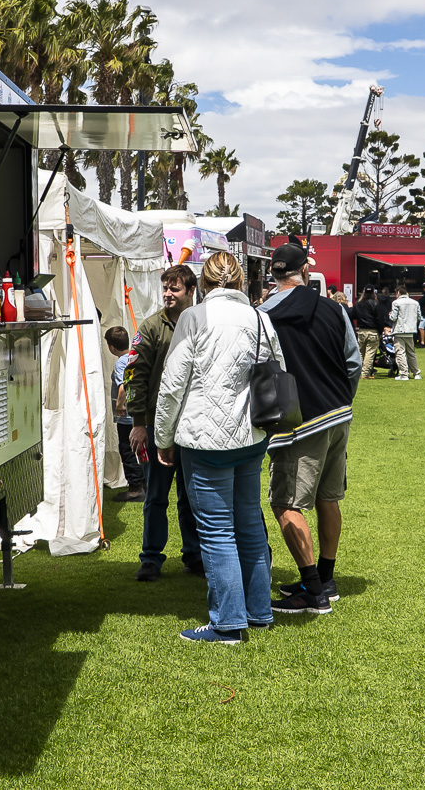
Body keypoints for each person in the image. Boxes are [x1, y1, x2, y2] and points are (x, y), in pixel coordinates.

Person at [155, 252, 281, 643]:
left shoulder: (193, 318)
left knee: (216, 532)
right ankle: (258, 612)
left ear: (204, 283)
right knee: (249, 524)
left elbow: (172, 385)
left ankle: (228, 623)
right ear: (240, 281)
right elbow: (276, 369)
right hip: (250, 436)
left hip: (205, 438)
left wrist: (163, 437)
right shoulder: (259, 318)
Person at [259, 242, 362, 613]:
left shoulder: (263, 315)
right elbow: (353, 363)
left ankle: (313, 591)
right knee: (327, 497)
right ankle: (325, 578)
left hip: (298, 423)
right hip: (338, 414)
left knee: (286, 503)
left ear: (272, 274)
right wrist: (341, 398)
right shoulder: (334, 309)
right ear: (305, 270)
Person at [125, 264, 204, 582]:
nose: (168, 294)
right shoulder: (150, 327)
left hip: (194, 424)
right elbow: (134, 375)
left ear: (191, 291)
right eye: (166, 288)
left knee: (191, 496)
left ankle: (194, 555)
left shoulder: (201, 322)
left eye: (175, 288)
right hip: (157, 426)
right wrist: (138, 423)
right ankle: (151, 558)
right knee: (156, 496)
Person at [108, 325, 145, 502]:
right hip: (138, 413)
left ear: (111, 347)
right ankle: (144, 482)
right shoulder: (133, 356)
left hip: (126, 416)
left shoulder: (120, 363)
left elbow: (123, 386)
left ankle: (135, 489)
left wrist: (119, 406)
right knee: (140, 449)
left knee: (127, 450)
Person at [386, 285, 422, 381]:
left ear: (398, 293)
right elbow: (419, 317)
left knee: (400, 353)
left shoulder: (396, 303)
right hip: (411, 331)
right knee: (411, 353)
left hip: (399, 330)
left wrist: (390, 315)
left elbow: (393, 317)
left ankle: (404, 374)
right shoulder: (415, 303)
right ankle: (416, 373)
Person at [352, 286, 383, 380]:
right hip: (373, 331)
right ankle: (365, 374)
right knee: (370, 353)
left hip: (361, 331)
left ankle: (357, 372)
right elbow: (379, 319)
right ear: (374, 292)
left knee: (360, 353)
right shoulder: (376, 303)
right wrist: (380, 331)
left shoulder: (358, 303)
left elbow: (353, 315)